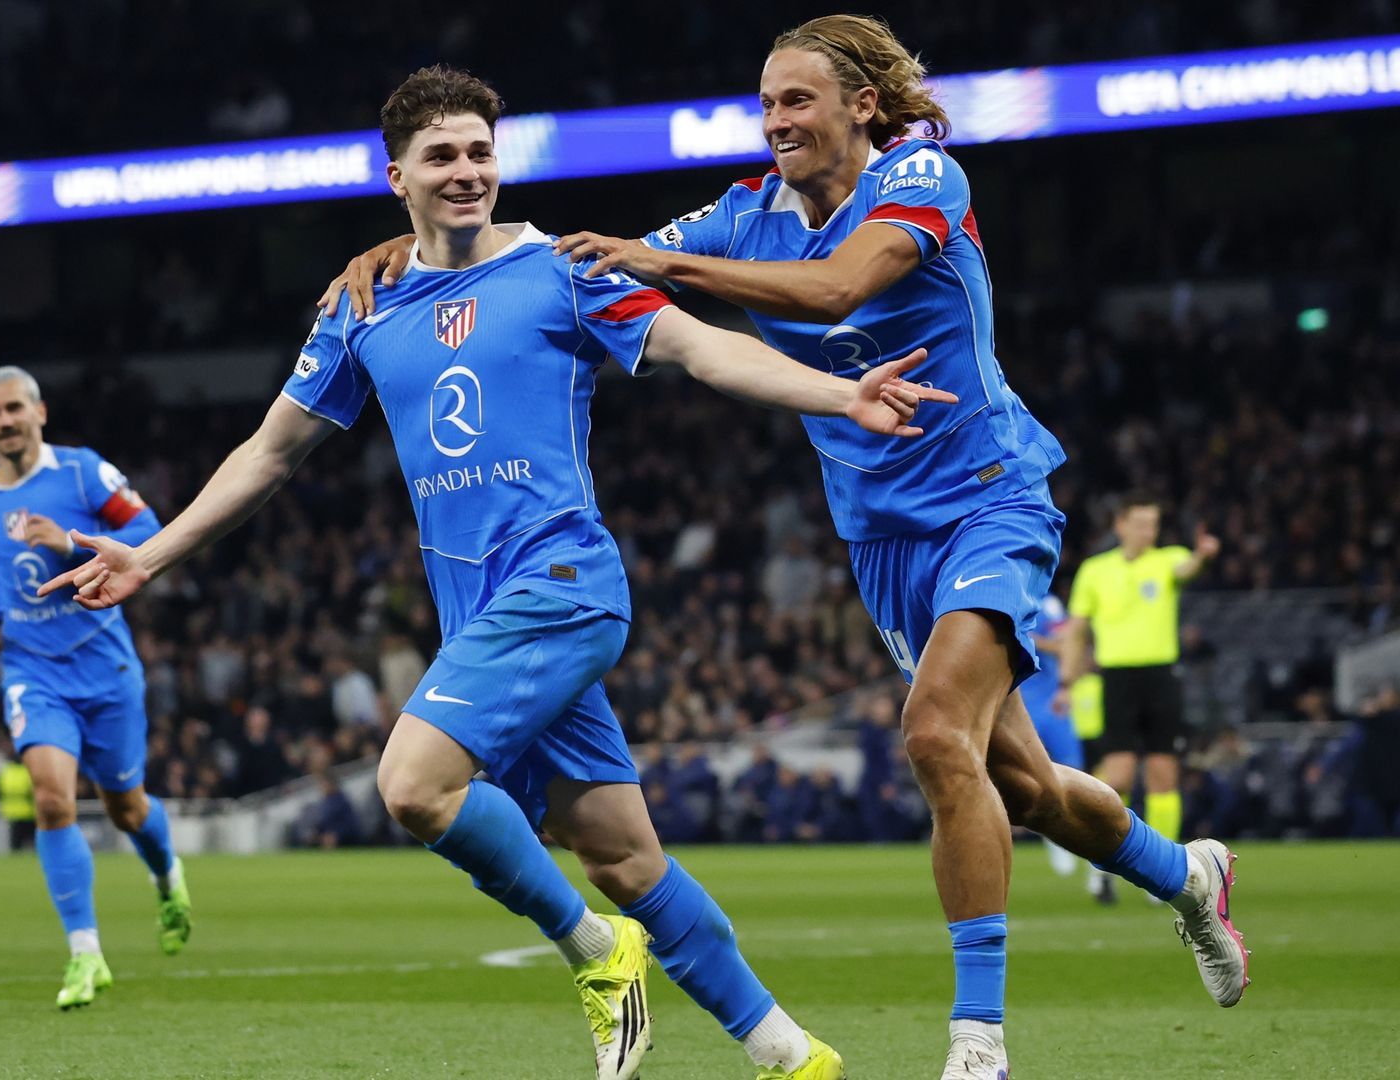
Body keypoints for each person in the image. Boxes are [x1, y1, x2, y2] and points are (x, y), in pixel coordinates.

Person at [320, 16, 1248, 1079]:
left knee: (936, 735)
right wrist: (422, 254)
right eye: (764, 105)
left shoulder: (924, 178)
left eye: (796, 100)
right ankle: (1187, 878)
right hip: (881, 538)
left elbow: (840, 287)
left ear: (861, 104)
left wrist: (671, 259)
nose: (774, 122)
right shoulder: (744, 215)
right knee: (1024, 789)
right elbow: (583, 266)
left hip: (990, 498)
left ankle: (978, 1043)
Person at [45, 64, 955, 1080]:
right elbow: (270, 451)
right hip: (480, 613)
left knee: (412, 786)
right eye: (442, 156)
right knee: (624, 858)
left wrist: (839, 395)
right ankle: (790, 1054)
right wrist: (152, 554)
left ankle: (595, 952)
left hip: (562, 581)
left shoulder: (563, 268)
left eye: (481, 151)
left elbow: (699, 348)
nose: (468, 172)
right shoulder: (362, 303)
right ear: (398, 175)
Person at [0, 365, 192, 1011]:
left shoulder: (84, 472)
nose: (4, 421)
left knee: (126, 809)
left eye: (13, 409)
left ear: (40, 412)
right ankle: (86, 953)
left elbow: (151, 536)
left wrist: (67, 543)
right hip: (32, 670)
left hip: (104, 665)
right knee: (53, 801)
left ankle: (167, 875)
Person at [1065, 493, 1222, 904]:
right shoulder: (1096, 571)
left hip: (1160, 677)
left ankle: (1163, 872)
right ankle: (1099, 863)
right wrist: (1068, 678)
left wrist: (1202, 556)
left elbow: (1187, 568)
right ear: (1120, 525)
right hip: (1116, 678)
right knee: (1116, 775)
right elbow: (1077, 628)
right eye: (1140, 523)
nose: (1147, 532)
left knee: (1163, 775)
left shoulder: (1167, 559)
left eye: (1152, 524)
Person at [1018, 594, 1084, 876]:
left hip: (1050, 703)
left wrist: (1029, 639)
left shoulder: (1048, 604)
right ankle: (1053, 838)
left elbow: (1063, 645)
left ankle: (1076, 839)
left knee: (1073, 775)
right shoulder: (1003, 594)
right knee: (1025, 776)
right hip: (1018, 704)